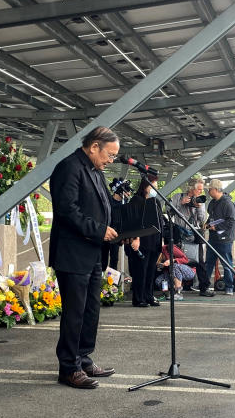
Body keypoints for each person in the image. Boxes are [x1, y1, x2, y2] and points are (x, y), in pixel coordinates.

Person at [48, 126, 120, 389]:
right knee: (74, 313)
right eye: (109, 155)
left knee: (91, 310)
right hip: (72, 253)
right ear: (93, 147)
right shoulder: (69, 167)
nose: (110, 161)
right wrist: (99, 230)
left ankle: (83, 357)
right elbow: (67, 211)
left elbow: (103, 208)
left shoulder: (95, 171)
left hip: (92, 253)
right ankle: (68, 367)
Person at [124, 176, 163, 308]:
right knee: (141, 270)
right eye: (153, 186)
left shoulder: (155, 202)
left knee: (151, 271)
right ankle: (138, 298)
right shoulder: (137, 200)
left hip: (154, 241)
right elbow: (133, 220)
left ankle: (149, 295)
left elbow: (160, 222)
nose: (155, 189)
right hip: (141, 241)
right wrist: (135, 238)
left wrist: (161, 240)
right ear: (145, 186)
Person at [170, 176, 210, 293]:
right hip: (180, 232)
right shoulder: (177, 197)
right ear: (191, 189)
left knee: (199, 261)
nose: (201, 192)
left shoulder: (200, 200)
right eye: (199, 190)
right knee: (177, 260)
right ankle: (175, 287)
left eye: (202, 190)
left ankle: (204, 287)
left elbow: (202, 219)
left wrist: (199, 206)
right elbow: (168, 211)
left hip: (195, 233)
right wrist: (180, 204)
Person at [203, 179, 235, 296]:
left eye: (210, 189)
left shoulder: (228, 203)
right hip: (213, 238)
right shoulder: (212, 203)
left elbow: (232, 221)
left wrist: (216, 227)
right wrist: (207, 224)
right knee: (209, 264)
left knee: (226, 264)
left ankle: (229, 287)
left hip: (225, 239)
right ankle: (204, 286)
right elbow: (211, 217)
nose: (208, 192)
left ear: (216, 190)